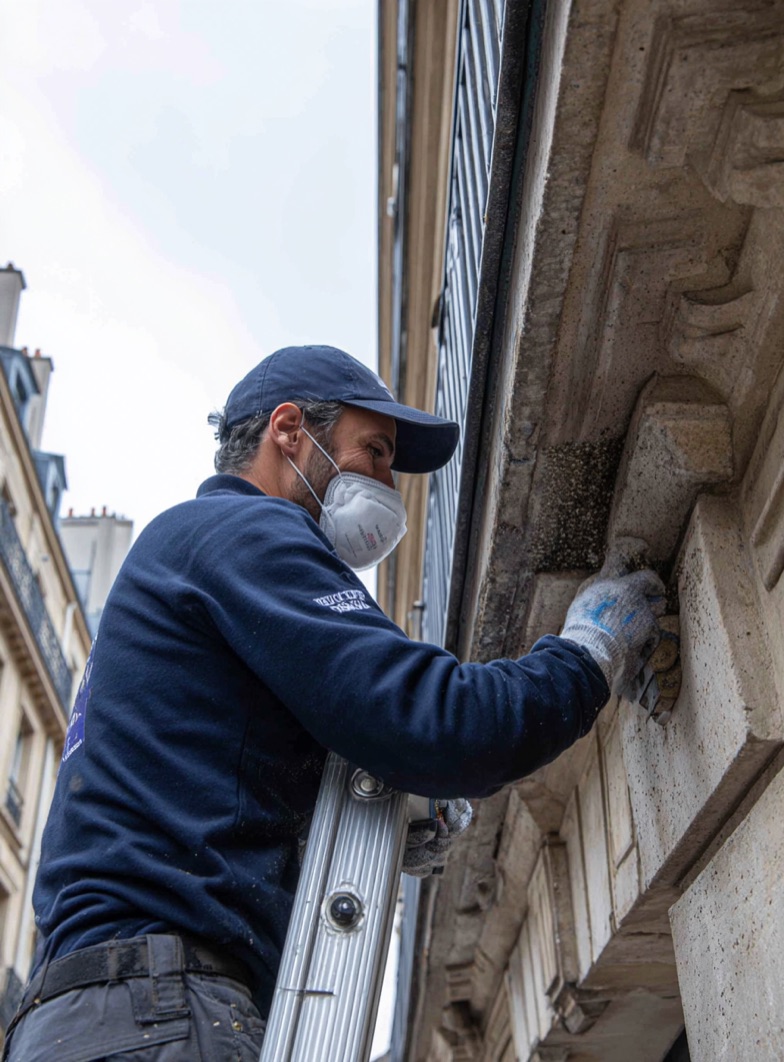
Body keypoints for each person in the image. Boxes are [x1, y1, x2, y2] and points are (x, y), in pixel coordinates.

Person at [4, 345, 664, 1061]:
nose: (387, 483)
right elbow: (441, 722)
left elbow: (204, 780)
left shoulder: (189, 551)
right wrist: (587, 652)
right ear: (289, 431)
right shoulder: (247, 532)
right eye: (375, 452)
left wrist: (364, 815)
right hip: (159, 1014)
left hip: (100, 1014)